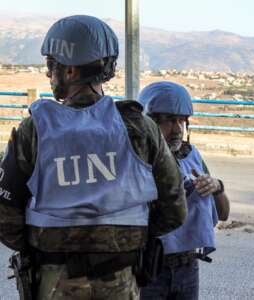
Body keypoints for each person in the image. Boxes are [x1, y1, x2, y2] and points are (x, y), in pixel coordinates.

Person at [0, 15, 186, 300]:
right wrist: (122, 240)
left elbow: (6, 216)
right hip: (121, 283)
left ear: (71, 71)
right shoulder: (139, 127)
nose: (49, 75)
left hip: (53, 284)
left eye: (52, 66)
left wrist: (45, 248)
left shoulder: (35, 129)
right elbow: (174, 209)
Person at [137, 81, 230, 300]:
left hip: (187, 267)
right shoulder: (138, 159)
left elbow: (223, 214)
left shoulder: (191, 156)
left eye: (181, 120)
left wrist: (217, 187)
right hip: (150, 267)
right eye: (169, 120)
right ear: (150, 122)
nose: (177, 129)